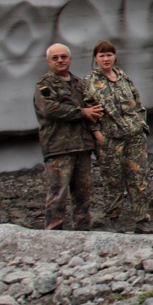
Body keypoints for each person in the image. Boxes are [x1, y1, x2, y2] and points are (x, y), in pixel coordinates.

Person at [88, 39, 153, 233]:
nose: (106, 58)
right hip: (110, 139)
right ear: (95, 58)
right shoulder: (90, 83)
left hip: (134, 137)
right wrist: (97, 133)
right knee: (113, 180)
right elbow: (87, 112)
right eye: (102, 55)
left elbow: (138, 103)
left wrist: (142, 126)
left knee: (138, 179)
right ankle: (114, 219)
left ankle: (141, 220)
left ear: (114, 56)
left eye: (109, 54)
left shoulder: (125, 79)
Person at [35, 42, 101, 230]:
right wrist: (82, 112)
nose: (60, 60)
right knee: (58, 193)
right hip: (59, 147)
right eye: (55, 58)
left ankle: (83, 231)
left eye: (63, 57)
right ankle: (54, 234)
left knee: (84, 193)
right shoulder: (44, 85)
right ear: (48, 62)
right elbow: (50, 109)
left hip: (82, 146)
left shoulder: (79, 84)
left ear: (70, 59)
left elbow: (93, 108)